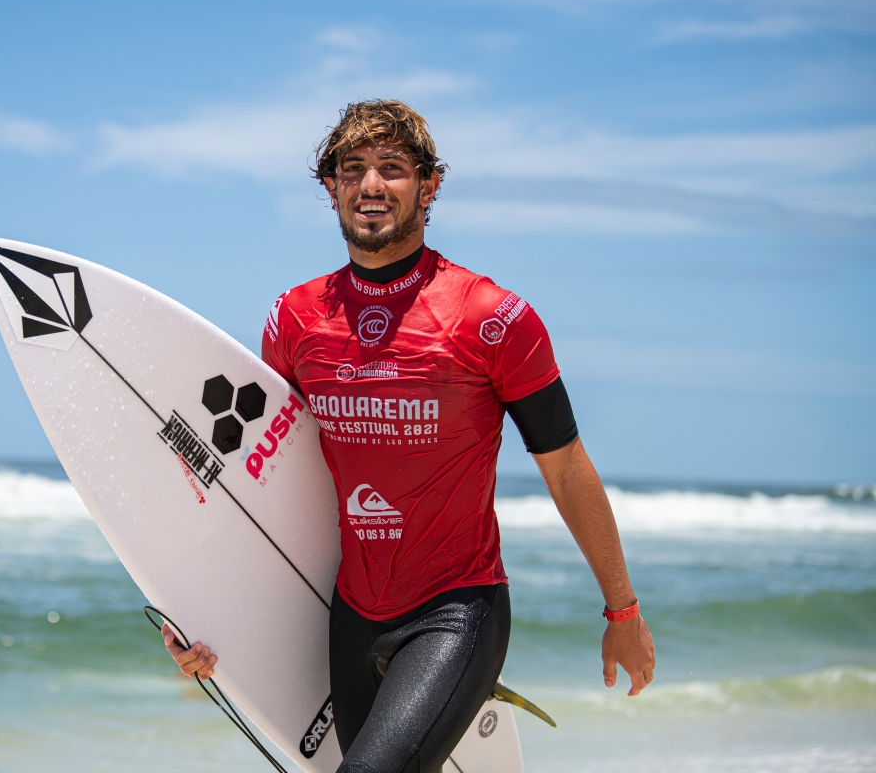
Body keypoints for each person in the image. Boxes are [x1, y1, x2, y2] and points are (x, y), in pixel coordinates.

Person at [163, 99, 656, 773]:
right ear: (330, 188)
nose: (371, 185)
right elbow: (263, 481)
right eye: (352, 169)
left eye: (392, 168)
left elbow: (565, 465)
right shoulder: (295, 320)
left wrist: (622, 612)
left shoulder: (492, 317)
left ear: (429, 186)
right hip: (350, 613)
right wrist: (201, 616)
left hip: (456, 611)